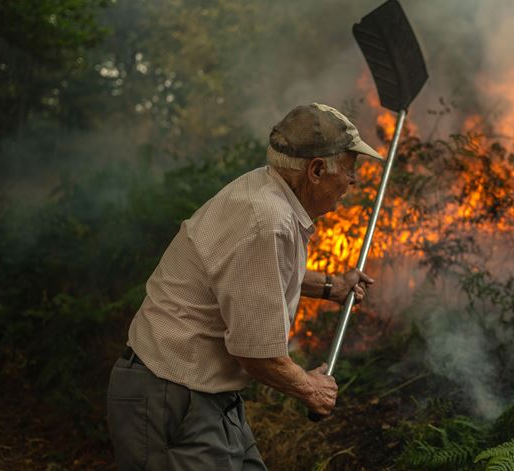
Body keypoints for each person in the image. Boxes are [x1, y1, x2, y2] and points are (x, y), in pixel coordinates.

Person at [107, 103, 380, 470]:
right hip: (171, 396)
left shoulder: (269, 193)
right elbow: (256, 352)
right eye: (350, 170)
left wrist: (333, 286)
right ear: (316, 170)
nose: (353, 181)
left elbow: (257, 277)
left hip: (203, 395)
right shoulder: (266, 220)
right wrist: (309, 388)